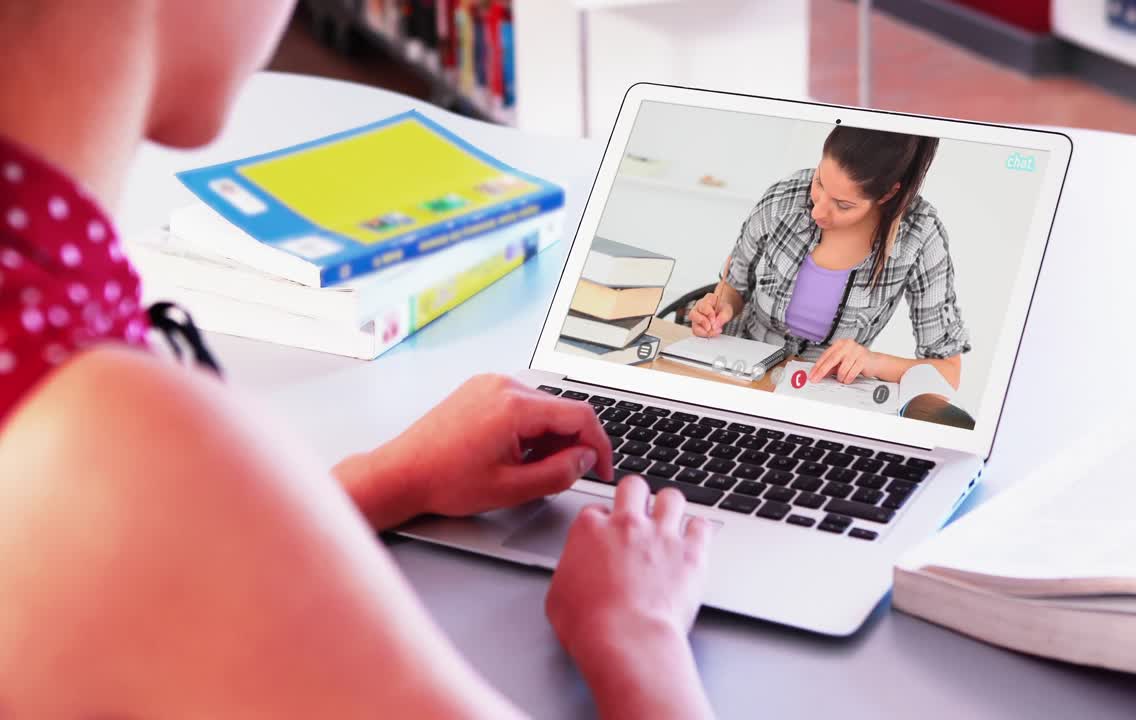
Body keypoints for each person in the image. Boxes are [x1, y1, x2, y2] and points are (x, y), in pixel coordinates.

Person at [0, 2, 714, 717]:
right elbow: (144, 530)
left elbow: (145, 584)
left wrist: (385, 480)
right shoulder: (121, 444)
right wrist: (639, 637)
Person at [689, 127, 971, 389]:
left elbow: (948, 373)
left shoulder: (920, 237)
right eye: (820, 182)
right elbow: (735, 286)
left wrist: (873, 362)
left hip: (821, 392)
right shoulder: (783, 199)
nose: (818, 212)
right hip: (735, 373)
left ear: (887, 194)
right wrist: (720, 307)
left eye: (844, 205)